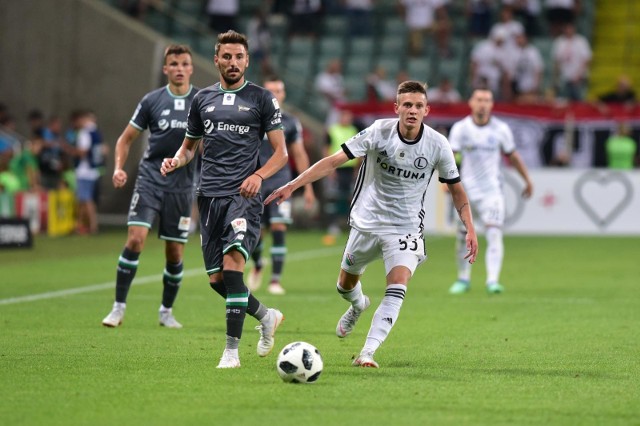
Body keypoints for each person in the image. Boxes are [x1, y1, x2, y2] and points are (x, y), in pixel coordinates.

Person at [265, 80, 478, 368]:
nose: (412, 111)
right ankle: (358, 304)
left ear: (426, 110)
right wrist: (294, 184)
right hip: (367, 222)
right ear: (397, 108)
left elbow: (456, 189)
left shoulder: (438, 144)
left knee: (398, 285)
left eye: (418, 106)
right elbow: (333, 161)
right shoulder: (379, 131)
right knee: (344, 285)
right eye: (407, 105)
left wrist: (470, 227)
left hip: (405, 228)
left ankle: (368, 352)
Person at [160, 31, 288, 369]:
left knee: (234, 267)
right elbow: (189, 147)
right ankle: (265, 315)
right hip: (208, 197)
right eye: (227, 57)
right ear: (216, 59)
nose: (233, 63)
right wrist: (176, 160)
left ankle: (231, 351)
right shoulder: (202, 99)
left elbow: (281, 154)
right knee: (219, 281)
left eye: (239, 57)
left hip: (242, 196)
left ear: (247, 60)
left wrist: (258, 176)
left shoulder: (261, 99)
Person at [101, 44, 199, 329]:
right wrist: (119, 168)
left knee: (175, 253)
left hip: (182, 187)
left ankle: (166, 311)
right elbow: (125, 139)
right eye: (174, 64)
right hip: (150, 179)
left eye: (184, 63)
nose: (179, 68)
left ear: (191, 68)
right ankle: (118, 308)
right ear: (165, 68)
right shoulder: (152, 101)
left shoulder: (202, 101)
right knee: (135, 239)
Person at [447, 89, 533, 295]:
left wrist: (527, 180)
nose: (483, 104)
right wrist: (445, 180)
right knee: (462, 236)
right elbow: (449, 156)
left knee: (494, 233)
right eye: (479, 100)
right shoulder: (461, 128)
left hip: (492, 193)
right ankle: (463, 278)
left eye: (487, 100)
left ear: (492, 104)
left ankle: (492, 280)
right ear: (471, 103)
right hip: (465, 193)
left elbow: (512, 156)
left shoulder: (501, 129)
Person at [247, 75, 315, 295]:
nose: (275, 94)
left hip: (281, 181)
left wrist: (307, 187)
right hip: (256, 179)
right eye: (271, 90)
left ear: (283, 94)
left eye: (278, 90)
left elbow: (299, 153)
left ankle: (275, 281)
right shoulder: (251, 119)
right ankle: (258, 263)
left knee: (278, 226)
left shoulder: (290, 122)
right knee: (255, 233)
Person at [73, 110, 105, 235]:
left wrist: (71, 151)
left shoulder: (85, 133)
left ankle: (93, 226)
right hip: (94, 170)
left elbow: (83, 151)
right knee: (82, 199)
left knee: (86, 199)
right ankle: (79, 225)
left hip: (84, 170)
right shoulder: (97, 133)